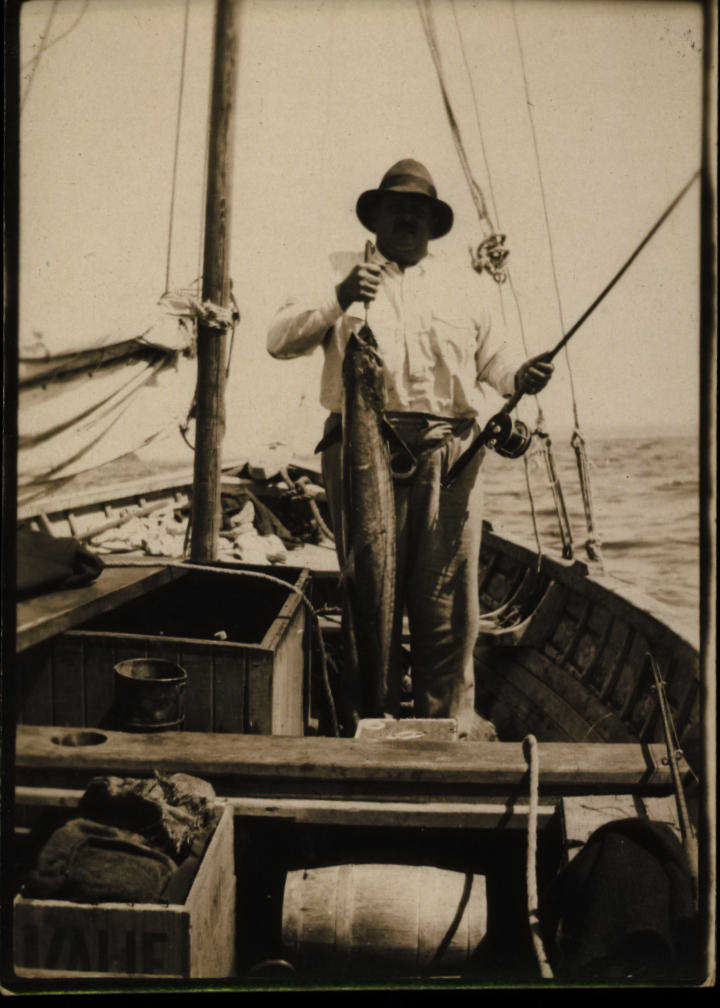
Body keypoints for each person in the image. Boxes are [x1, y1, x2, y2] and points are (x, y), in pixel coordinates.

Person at [267, 159, 553, 739]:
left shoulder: (466, 289)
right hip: (361, 452)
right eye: (396, 209)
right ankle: (365, 725)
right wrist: (338, 299)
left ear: (433, 223)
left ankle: (444, 729)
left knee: (446, 607)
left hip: (449, 458)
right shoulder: (336, 272)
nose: (407, 219)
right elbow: (278, 341)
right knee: (364, 594)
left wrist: (520, 376)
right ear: (375, 217)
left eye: (418, 211)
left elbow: (496, 368)